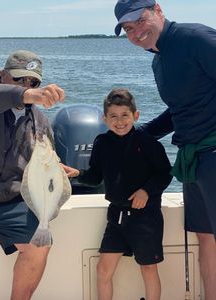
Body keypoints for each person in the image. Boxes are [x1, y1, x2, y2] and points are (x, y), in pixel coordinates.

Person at [114, 1, 216, 299]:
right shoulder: (158, 61)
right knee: (206, 238)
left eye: (140, 21)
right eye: (128, 29)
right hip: (194, 160)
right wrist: (138, 135)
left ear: (158, 10)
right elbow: (179, 111)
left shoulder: (195, 38)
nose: (136, 33)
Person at [66, 88, 172, 300]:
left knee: (148, 270)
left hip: (146, 218)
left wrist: (146, 191)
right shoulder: (101, 142)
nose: (120, 121)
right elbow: (95, 177)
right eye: (113, 116)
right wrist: (76, 173)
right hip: (116, 217)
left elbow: (165, 174)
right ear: (105, 119)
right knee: (103, 270)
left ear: (136, 115)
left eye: (125, 115)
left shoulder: (148, 142)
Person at [0, 49, 65, 300]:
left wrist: (60, 168)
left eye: (33, 82)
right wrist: (27, 94)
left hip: (6, 199)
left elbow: (47, 160)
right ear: (4, 75)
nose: (27, 85)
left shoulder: (40, 122)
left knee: (39, 246)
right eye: (19, 79)